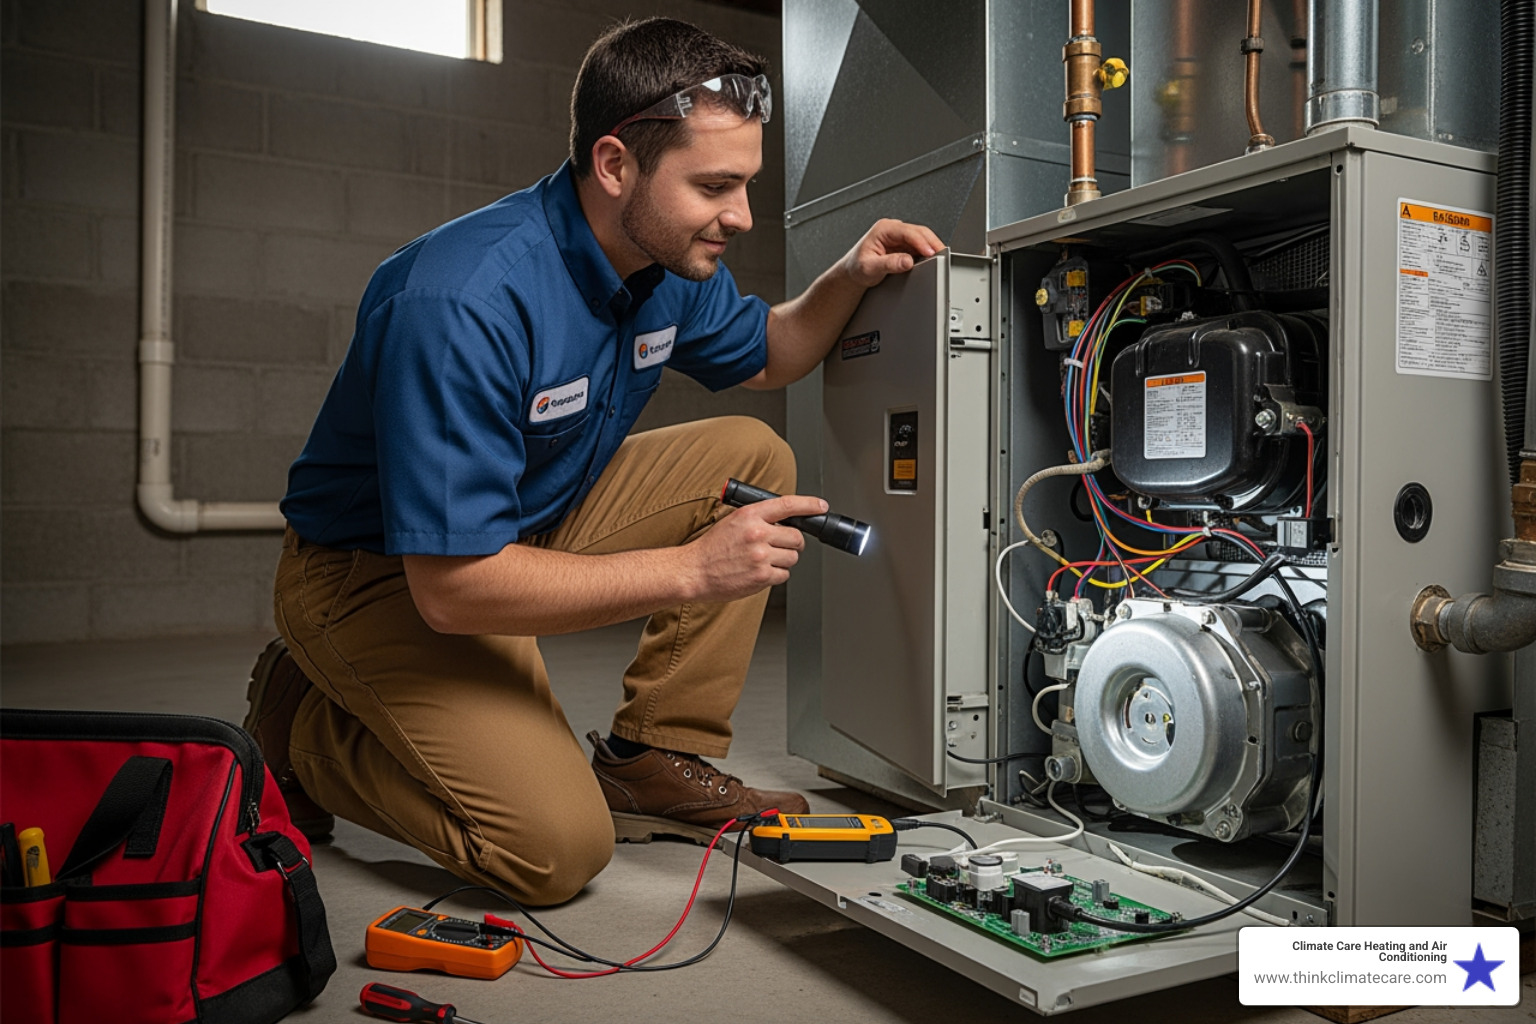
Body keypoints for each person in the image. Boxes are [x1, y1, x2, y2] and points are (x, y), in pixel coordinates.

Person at [243, 16, 942, 906]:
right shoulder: (462, 302)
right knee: (554, 851)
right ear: (615, 165)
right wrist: (693, 572)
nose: (740, 216)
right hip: (380, 574)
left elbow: (771, 352)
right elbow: (453, 590)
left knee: (750, 453)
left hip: (526, 521)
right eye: (716, 186)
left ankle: (653, 758)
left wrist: (849, 274)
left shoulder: (667, 260)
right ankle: (304, 734)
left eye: (747, 184)